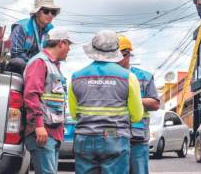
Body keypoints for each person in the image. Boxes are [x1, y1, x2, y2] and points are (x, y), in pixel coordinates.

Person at [68, 30, 143, 174]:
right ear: (116, 51)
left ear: (93, 49)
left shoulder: (75, 77)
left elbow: (73, 114)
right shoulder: (128, 77)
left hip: (84, 138)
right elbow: (137, 115)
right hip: (115, 138)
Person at [23, 27, 73, 174]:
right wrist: (38, 125)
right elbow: (31, 95)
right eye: (69, 45)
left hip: (52, 132)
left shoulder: (53, 65)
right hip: (43, 131)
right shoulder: (40, 62)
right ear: (62, 43)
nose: (69, 49)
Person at [118, 35, 160, 174]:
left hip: (138, 136)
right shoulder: (110, 76)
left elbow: (155, 104)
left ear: (128, 54)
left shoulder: (143, 76)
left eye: (121, 56)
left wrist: (133, 100)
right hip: (115, 136)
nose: (117, 61)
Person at [7, 0, 60, 75]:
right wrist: (35, 64)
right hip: (24, 66)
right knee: (17, 62)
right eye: (46, 11)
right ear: (37, 12)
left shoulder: (51, 30)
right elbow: (16, 53)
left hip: (41, 66)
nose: (50, 15)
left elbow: (53, 53)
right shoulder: (21, 27)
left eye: (53, 12)